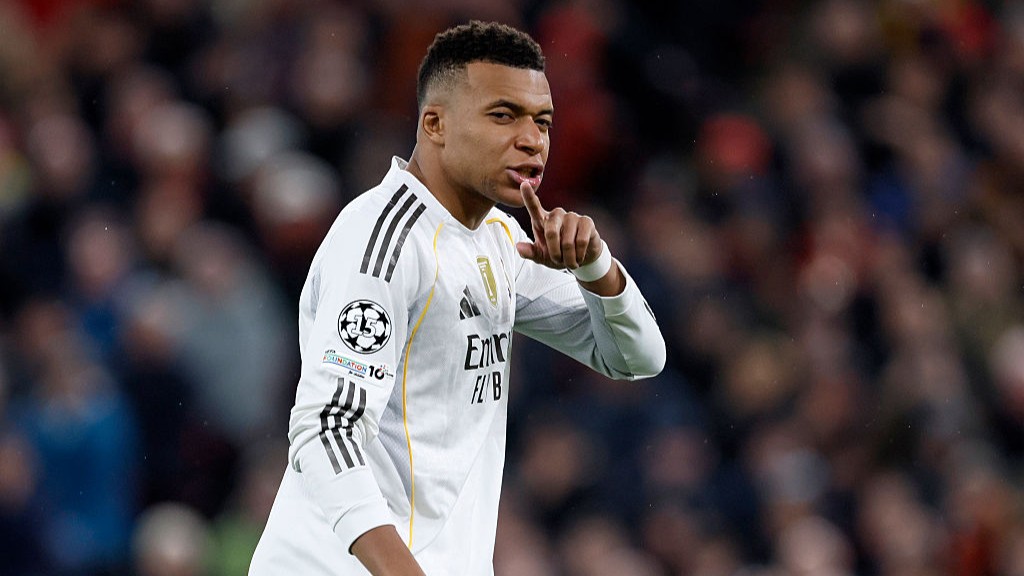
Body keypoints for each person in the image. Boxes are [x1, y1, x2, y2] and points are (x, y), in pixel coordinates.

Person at [249, 20, 666, 575]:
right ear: (435, 124)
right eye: (504, 115)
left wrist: (597, 268)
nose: (533, 139)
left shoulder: (499, 240)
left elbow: (636, 359)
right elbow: (328, 431)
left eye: (543, 121)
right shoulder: (382, 241)